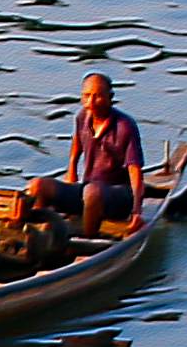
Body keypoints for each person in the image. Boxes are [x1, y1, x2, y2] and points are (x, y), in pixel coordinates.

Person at [51, 71, 146, 234]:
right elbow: (76, 147)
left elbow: (135, 172)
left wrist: (137, 211)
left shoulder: (125, 126)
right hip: (87, 190)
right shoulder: (82, 117)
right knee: (38, 186)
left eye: (97, 96)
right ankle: (43, 233)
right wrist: (71, 174)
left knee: (92, 193)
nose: (91, 103)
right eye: (86, 96)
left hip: (117, 196)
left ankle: (87, 241)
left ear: (110, 97)